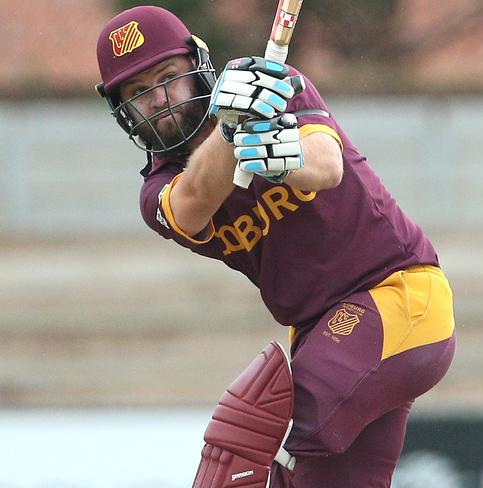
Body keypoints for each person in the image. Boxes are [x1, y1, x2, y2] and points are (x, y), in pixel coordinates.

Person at [96, 5, 456, 488]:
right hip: (320, 332)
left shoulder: (266, 82)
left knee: (260, 436)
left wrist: (284, 156)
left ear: (198, 63)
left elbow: (327, 163)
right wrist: (229, 131)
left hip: (395, 296)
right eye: (138, 93)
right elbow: (194, 201)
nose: (161, 100)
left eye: (168, 77)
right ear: (123, 112)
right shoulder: (156, 189)